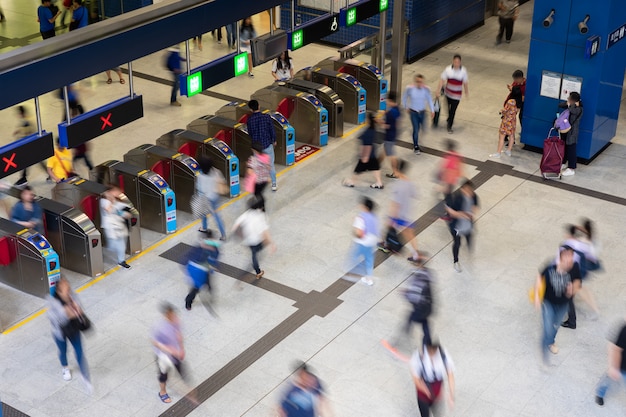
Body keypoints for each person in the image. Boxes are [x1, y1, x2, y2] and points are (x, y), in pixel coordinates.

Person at [533, 246, 581, 363]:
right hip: (548, 302)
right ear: (560, 257)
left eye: (571, 256)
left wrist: (572, 289)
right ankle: (546, 347)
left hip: (563, 303)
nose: (569, 260)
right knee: (548, 325)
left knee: (556, 324)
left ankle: (550, 341)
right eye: (567, 257)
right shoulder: (551, 266)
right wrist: (537, 296)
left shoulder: (574, 267)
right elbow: (540, 277)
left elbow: (577, 281)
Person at [47, 277, 91, 391]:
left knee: (79, 351)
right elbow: (54, 318)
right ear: (59, 290)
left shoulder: (73, 297)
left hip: (74, 328)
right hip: (60, 333)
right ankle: (65, 367)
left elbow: (79, 309)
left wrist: (74, 311)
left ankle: (84, 374)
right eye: (65, 287)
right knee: (63, 351)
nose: (68, 288)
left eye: (68, 286)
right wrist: (68, 313)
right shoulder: (53, 302)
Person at [559, 221, 601, 329]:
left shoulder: (571, 244)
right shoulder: (585, 242)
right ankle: (594, 310)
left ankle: (574, 319)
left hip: (578, 273)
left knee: (575, 293)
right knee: (582, 291)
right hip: (583, 271)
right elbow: (591, 257)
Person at [382, 159, 421, 263]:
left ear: (396, 170)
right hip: (408, 213)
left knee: (389, 228)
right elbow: (414, 194)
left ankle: (386, 245)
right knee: (410, 234)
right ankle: (416, 254)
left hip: (399, 215)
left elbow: (395, 203)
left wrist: (392, 217)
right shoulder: (409, 182)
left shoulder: (398, 185)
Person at [232, 197, 276, 280]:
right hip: (257, 241)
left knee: (254, 253)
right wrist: (271, 244)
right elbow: (265, 232)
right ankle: (257, 271)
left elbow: (235, 227)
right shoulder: (260, 216)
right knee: (255, 255)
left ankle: (257, 271)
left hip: (247, 241)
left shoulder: (245, 215)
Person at [152, 303, 188, 403]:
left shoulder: (176, 321)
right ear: (165, 315)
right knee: (163, 374)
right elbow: (155, 342)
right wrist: (170, 350)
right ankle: (162, 392)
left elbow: (179, 334)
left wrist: (181, 348)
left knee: (180, 368)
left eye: (173, 314)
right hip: (163, 356)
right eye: (170, 314)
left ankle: (187, 387)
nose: (173, 316)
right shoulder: (159, 327)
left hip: (175, 353)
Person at [409, 340, 455, 417]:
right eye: (429, 351)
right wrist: (425, 390)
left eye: (434, 351)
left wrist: (451, 395)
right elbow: (416, 379)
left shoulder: (444, 357)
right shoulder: (419, 357)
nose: (432, 354)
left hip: (437, 397)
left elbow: (450, 376)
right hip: (423, 397)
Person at [444, 180, 479, 272]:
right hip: (457, 226)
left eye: (470, 190)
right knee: (457, 243)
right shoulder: (457, 198)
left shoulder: (474, 196)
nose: (469, 192)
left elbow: (475, 207)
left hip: (467, 225)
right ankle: (456, 261)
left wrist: (471, 213)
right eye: (467, 190)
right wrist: (463, 214)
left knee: (469, 237)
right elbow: (451, 212)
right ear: (462, 189)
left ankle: (469, 250)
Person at [342, 112, 384, 189]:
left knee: (358, 169)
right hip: (372, 153)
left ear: (368, 120)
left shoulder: (368, 132)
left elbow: (367, 145)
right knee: (375, 167)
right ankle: (379, 182)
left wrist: (365, 157)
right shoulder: (373, 128)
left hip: (366, 154)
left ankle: (352, 182)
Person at [347, 197, 379, 286]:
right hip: (372, 241)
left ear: (365, 207)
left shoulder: (360, 218)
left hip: (362, 242)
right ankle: (369, 278)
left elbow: (359, 233)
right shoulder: (373, 216)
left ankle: (353, 274)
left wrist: (355, 232)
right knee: (369, 259)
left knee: (355, 256)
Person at [185, 230, 220, 311]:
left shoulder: (204, 246)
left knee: (207, 285)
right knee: (197, 287)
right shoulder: (206, 248)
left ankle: (209, 295)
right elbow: (213, 259)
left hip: (204, 270)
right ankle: (188, 301)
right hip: (200, 271)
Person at [246, 100, 277, 191]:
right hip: (267, 144)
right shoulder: (266, 117)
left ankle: (259, 183)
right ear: (259, 106)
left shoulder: (250, 120)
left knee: (258, 166)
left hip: (256, 148)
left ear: (251, 109)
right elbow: (271, 129)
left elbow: (250, 133)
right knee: (270, 165)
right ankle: (274, 184)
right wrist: (274, 140)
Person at [595, 319, 626, 406]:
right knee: (607, 381)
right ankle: (600, 393)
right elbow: (615, 349)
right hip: (621, 366)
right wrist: (613, 367)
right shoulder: (624, 330)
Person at [100, 185, 132, 269]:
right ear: (111, 191)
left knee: (122, 242)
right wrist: (111, 199)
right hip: (111, 226)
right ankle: (120, 259)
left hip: (119, 224)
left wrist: (125, 214)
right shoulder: (104, 200)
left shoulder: (116, 199)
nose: (118, 193)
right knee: (115, 244)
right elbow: (109, 210)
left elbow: (120, 210)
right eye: (116, 191)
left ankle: (121, 260)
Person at [402, 75, 434, 154]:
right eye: (418, 82)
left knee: (424, 129)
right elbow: (404, 97)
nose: (419, 83)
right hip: (414, 113)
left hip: (422, 112)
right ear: (415, 82)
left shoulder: (426, 90)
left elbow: (429, 99)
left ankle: (416, 137)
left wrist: (432, 110)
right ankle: (416, 146)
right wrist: (406, 107)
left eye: (421, 82)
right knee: (416, 129)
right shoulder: (410, 89)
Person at [436, 55, 469, 134]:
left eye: (458, 62)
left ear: (460, 62)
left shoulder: (463, 71)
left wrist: (466, 91)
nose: (456, 63)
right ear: (453, 61)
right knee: (448, 109)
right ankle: (449, 118)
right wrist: (438, 90)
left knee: (453, 111)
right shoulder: (448, 69)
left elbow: (465, 82)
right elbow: (442, 80)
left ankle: (449, 126)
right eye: (455, 62)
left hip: (457, 96)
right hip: (448, 93)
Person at [195, 157, 227, 239]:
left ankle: (204, 228)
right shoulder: (216, 171)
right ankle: (223, 235)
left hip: (205, 198)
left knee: (204, 213)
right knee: (217, 216)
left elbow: (199, 188)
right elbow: (222, 181)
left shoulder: (200, 176)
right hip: (215, 197)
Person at [490, 85, 522, 158]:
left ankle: (498, 153)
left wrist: (501, 111)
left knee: (502, 136)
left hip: (507, 121)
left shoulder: (511, 101)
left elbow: (505, 110)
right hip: (513, 121)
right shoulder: (519, 101)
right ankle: (509, 151)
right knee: (511, 135)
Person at [12, 105, 41, 186]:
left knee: (25, 161)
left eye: (19, 113)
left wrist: (21, 137)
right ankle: (50, 172)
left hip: (29, 144)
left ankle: (23, 178)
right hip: (31, 144)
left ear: (21, 113)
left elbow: (28, 132)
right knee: (38, 159)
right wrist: (18, 131)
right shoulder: (26, 119)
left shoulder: (26, 121)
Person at [559, 92, 583, 177]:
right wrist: (567, 103)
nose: (568, 99)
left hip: (572, 132)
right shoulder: (570, 105)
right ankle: (563, 162)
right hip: (565, 130)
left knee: (571, 149)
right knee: (564, 147)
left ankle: (571, 168)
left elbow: (572, 110)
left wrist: (570, 105)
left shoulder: (579, 109)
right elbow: (560, 105)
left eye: (569, 98)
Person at [378, 91, 401, 177]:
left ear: (390, 100)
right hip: (394, 134)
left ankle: (395, 172)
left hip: (389, 136)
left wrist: (379, 122)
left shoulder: (390, 113)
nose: (386, 102)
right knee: (385, 150)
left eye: (387, 100)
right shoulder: (397, 108)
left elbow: (386, 126)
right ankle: (377, 164)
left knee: (391, 155)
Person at [246, 142, 271, 211]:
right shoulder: (266, 157)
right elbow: (269, 167)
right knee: (260, 193)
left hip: (257, 181)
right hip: (265, 180)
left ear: (254, 150)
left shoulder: (253, 159)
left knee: (257, 194)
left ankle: (261, 206)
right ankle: (262, 206)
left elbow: (250, 171)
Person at [505, 69, 526, 139]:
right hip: (512, 103)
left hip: (520, 104)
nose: (515, 82)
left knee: (521, 117)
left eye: (516, 80)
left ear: (521, 78)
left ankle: (524, 131)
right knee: (508, 118)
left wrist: (514, 91)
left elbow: (523, 98)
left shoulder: (526, 85)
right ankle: (506, 134)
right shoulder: (515, 83)